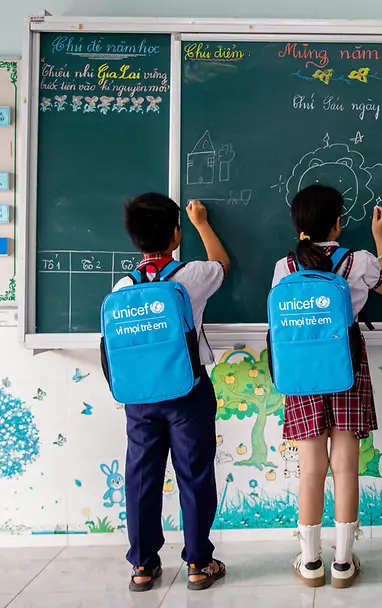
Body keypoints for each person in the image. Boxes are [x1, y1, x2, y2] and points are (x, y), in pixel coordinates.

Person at [272, 185, 382, 588]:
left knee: (311, 469)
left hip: (301, 371)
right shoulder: (357, 260)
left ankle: (310, 563)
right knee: (345, 466)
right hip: (347, 366)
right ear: (338, 222)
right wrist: (380, 238)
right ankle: (343, 562)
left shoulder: (284, 266)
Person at [115, 194, 229, 591]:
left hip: (140, 398)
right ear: (175, 233)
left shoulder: (123, 286)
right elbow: (223, 265)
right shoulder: (192, 276)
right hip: (187, 392)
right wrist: (202, 224)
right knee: (194, 476)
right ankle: (198, 563)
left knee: (142, 477)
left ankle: (143, 567)